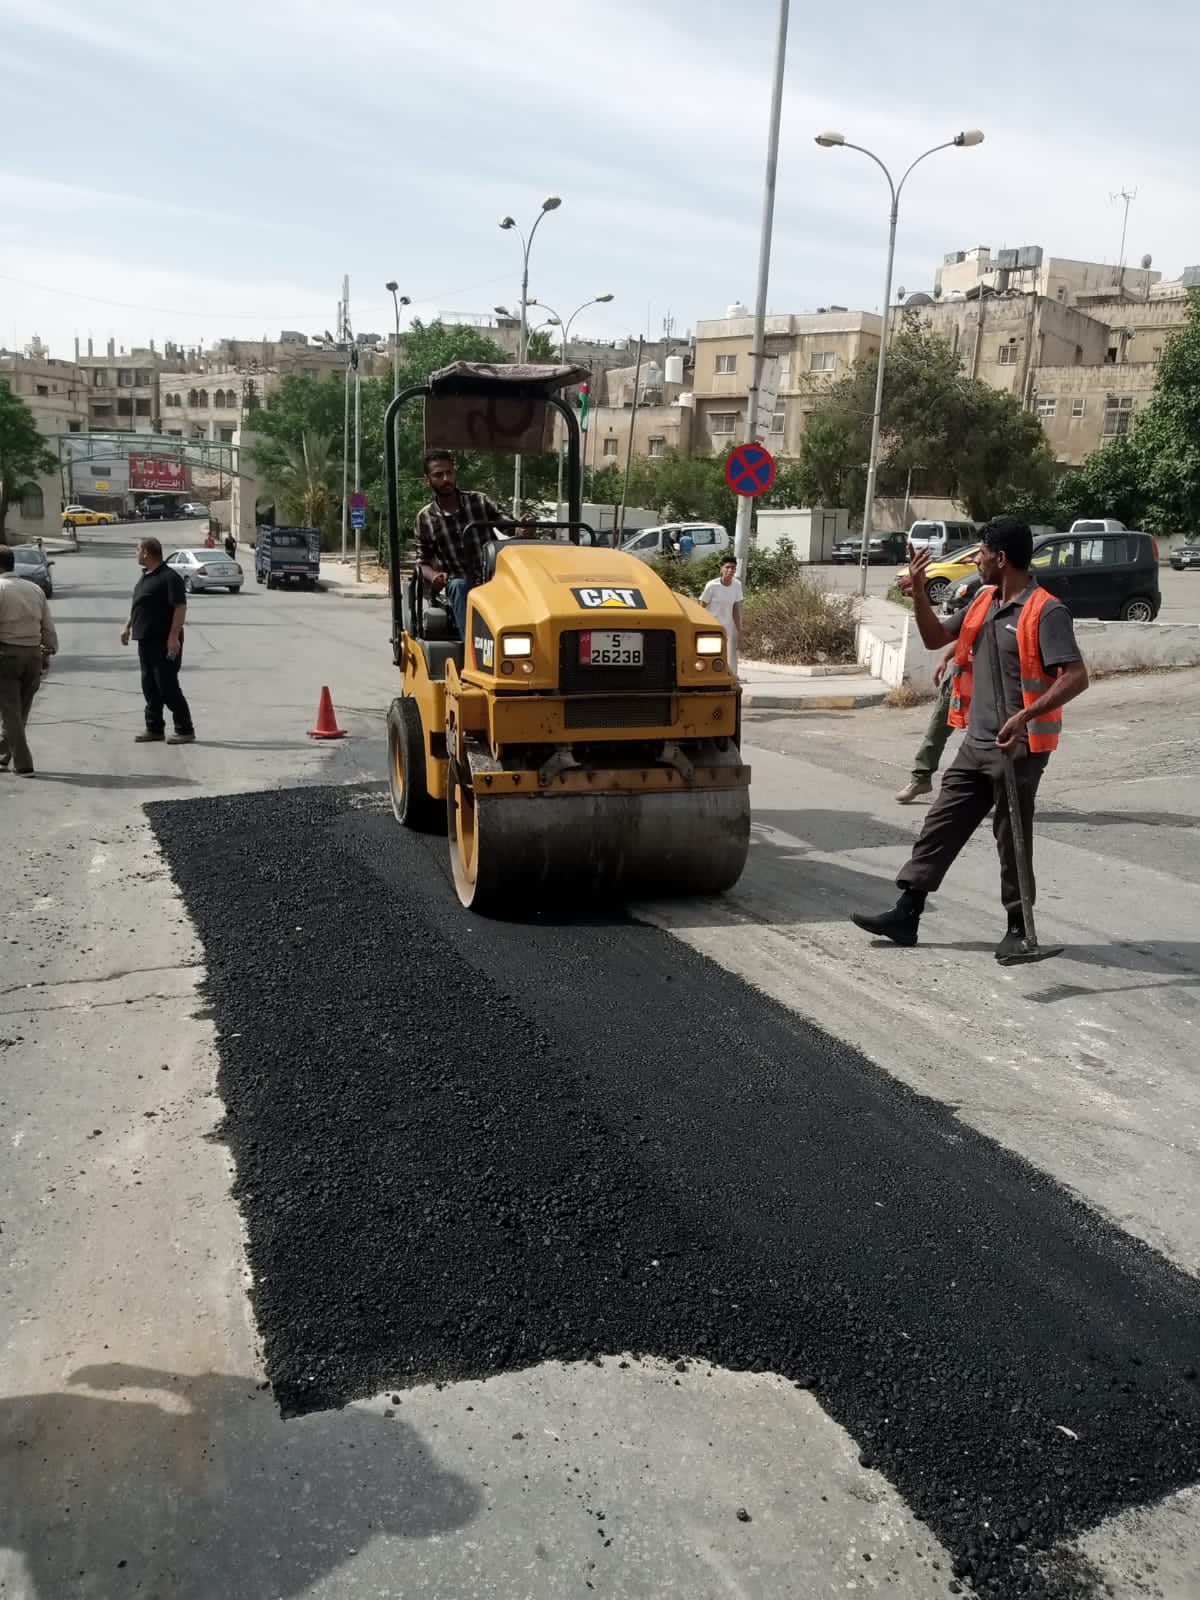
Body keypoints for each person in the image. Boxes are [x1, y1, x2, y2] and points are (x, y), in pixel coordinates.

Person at [850, 515, 1089, 961]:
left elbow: (1077, 677)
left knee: (1011, 836)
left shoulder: (1045, 610)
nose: (975, 560)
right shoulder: (983, 601)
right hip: (975, 743)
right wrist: (920, 593)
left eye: (980, 553)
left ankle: (1018, 929)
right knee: (940, 826)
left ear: (1001, 558)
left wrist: (1025, 715)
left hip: (1019, 747)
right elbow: (935, 635)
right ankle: (907, 913)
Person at [414, 450, 524, 639]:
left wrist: (523, 530)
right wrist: (434, 576)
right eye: (438, 475)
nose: (446, 479)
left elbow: (509, 526)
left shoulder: (479, 501)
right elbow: (422, 562)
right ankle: (472, 650)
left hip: (493, 578)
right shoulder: (426, 518)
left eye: (449, 472)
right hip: (457, 585)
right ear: (428, 480)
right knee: (459, 585)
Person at [120, 535, 195, 745]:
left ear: (146, 552)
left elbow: (180, 608)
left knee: (167, 686)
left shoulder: (169, 578)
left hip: (164, 641)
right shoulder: (145, 577)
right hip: (145, 640)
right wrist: (127, 627)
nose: (136, 554)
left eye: (137, 550)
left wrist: (173, 637)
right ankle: (154, 728)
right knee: (149, 686)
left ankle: (185, 729)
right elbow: (139, 605)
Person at [0, 543, 58, 776]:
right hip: (33, 654)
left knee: (10, 711)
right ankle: (3, 756)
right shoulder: (34, 589)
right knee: (19, 711)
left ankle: (24, 765)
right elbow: (48, 626)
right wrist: (48, 651)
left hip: (7, 655)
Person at [895, 643, 957, 803]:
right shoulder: (974, 616)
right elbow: (964, 635)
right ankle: (920, 780)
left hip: (991, 687)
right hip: (960, 682)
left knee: (987, 740)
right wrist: (944, 658)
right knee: (936, 731)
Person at [700, 555, 744, 679]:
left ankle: (730, 675)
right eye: (727, 567)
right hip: (711, 625)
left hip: (727, 626)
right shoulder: (712, 586)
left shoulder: (737, 585)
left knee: (727, 653)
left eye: (733, 568)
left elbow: (736, 607)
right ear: (721, 569)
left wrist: (739, 629)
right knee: (710, 652)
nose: (730, 570)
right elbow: (701, 606)